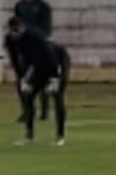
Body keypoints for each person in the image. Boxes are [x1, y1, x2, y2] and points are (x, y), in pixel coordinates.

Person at [7, 17, 69, 146]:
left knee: (57, 97)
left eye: (17, 30)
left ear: (22, 28)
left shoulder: (35, 36)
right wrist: (22, 78)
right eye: (12, 31)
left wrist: (55, 78)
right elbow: (15, 60)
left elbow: (49, 55)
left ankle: (60, 136)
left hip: (57, 61)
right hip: (37, 66)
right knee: (28, 95)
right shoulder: (10, 40)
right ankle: (29, 135)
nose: (15, 34)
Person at [14, 0, 53, 121]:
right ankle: (27, 110)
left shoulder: (43, 6)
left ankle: (44, 111)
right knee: (22, 79)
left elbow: (47, 29)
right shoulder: (20, 6)